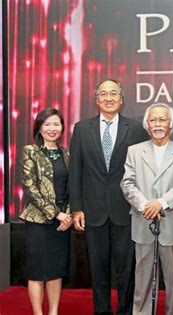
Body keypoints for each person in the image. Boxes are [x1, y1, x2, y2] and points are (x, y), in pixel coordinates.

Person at [69, 79, 149, 315]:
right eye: (103, 94)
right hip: (92, 211)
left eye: (113, 93)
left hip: (125, 209)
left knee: (127, 268)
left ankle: (125, 310)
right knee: (98, 267)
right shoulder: (82, 129)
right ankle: (101, 311)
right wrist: (77, 208)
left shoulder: (134, 129)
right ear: (96, 99)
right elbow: (76, 170)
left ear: (121, 99)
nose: (109, 98)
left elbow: (142, 171)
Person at [121, 103, 173, 315]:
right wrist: (145, 205)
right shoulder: (134, 152)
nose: (157, 124)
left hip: (170, 221)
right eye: (153, 120)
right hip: (142, 220)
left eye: (162, 120)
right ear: (146, 124)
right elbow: (127, 183)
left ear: (170, 124)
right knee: (142, 278)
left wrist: (160, 203)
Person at [19, 108, 72, 315]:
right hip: (38, 221)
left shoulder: (66, 153)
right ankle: (38, 313)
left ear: (62, 128)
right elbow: (30, 187)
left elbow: (71, 186)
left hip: (62, 221)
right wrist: (56, 213)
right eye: (47, 124)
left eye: (56, 124)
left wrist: (67, 213)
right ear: (39, 128)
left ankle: (53, 312)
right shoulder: (30, 151)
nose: (52, 128)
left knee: (55, 270)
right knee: (38, 271)